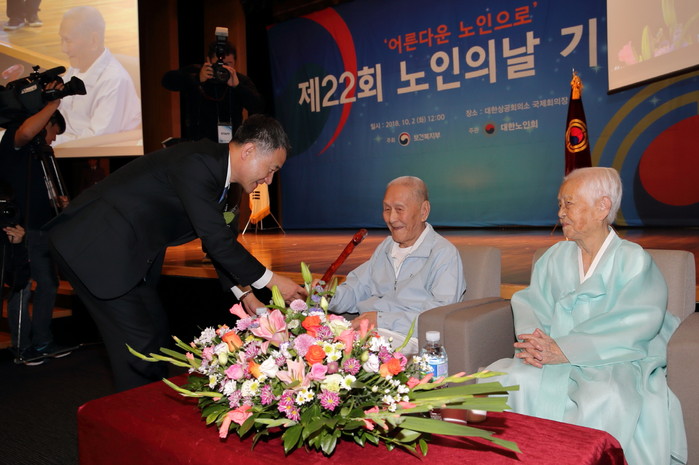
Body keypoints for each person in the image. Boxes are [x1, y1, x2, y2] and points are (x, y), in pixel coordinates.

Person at [46, 115, 307, 391]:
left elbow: (222, 243)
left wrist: (247, 296)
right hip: (96, 246)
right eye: (271, 169)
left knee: (156, 333)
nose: (269, 180)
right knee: (138, 346)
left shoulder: (228, 183)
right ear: (249, 150)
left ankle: (150, 404)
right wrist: (272, 281)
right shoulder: (198, 162)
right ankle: (137, 411)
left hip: (132, 254)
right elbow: (218, 242)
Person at [482, 167, 687, 465]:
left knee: (607, 397)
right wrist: (539, 344)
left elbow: (635, 323)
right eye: (560, 204)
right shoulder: (554, 258)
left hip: (611, 360)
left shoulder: (633, 260)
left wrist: (566, 349)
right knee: (505, 378)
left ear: (602, 207)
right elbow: (532, 304)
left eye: (569, 203)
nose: (560, 213)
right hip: (548, 356)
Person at [328, 176, 466, 354]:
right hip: (370, 334)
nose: (392, 218)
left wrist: (382, 320)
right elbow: (355, 290)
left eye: (399, 209)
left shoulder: (443, 254)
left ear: (424, 211)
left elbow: (438, 318)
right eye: (387, 209)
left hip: (411, 341)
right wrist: (325, 295)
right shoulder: (385, 248)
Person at [0, 87, 73, 365]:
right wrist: (53, 103)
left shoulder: (40, 154)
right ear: (45, 123)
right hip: (21, 229)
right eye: (54, 131)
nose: (54, 138)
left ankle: (43, 341)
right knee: (22, 286)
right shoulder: (15, 138)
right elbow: (27, 132)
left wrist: (58, 202)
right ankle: (21, 346)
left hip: (43, 228)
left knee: (48, 284)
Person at [54, 6, 141, 144]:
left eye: (68, 41)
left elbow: (95, 141)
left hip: (77, 150)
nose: (63, 49)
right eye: (62, 40)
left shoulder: (114, 81)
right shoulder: (76, 68)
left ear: (93, 40)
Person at [161, 39, 263, 143]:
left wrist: (238, 87)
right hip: (199, 142)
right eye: (219, 64)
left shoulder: (239, 79)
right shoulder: (198, 72)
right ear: (208, 60)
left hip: (230, 143)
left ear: (235, 63)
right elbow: (167, 81)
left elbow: (258, 106)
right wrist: (197, 79)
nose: (224, 68)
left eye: (229, 64)